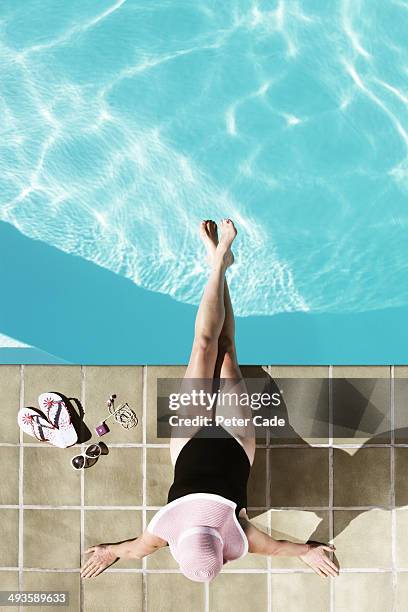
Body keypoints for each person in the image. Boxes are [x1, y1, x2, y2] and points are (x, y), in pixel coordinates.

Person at [81, 219, 338, 582]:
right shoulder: (242, 535)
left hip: (187, 442)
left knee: (204, 347)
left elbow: (134, 549)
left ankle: (217, 262)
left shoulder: (161, 534)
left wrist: (109, 552)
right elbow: (281, 548)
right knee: (228, 352)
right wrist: (309, 552)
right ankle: (220, 262)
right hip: (236, 443)